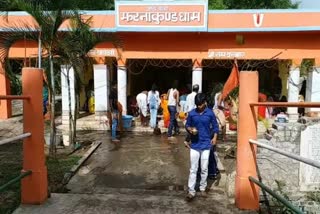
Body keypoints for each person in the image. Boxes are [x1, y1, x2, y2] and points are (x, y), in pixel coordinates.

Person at [185, 93, 219, 201]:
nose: (199, 107)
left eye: (200, 104)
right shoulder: (191, 114)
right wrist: (190, 130)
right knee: (193, 169)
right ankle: (191, 191)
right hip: (194, 145)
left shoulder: (210, 113)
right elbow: (187, 125)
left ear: (205, 102)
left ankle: (203, 188)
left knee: (204, 168)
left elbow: (215, 126)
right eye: (197, 105)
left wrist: (215, 137)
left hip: (206, 144)